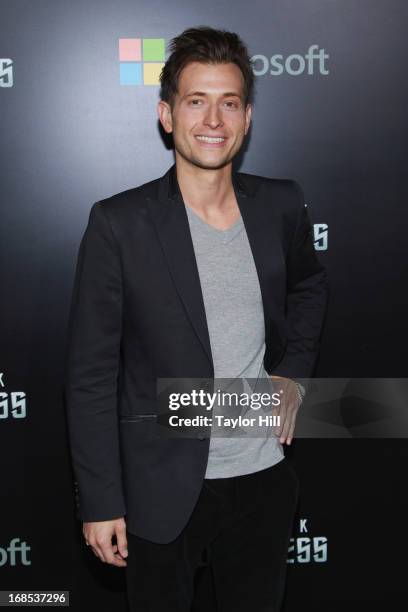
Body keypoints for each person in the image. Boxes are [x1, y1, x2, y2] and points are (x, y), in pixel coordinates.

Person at [64, 25, 329, 612]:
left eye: (229, 103)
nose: (214, 119)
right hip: (160, 490)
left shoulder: (281, 204)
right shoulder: (119, 224)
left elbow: (310, 286)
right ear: (167, 115)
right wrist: (102, 501)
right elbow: (90, 376)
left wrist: (293, 371)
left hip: (263, 481)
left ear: (248, 117)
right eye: (196, 101)